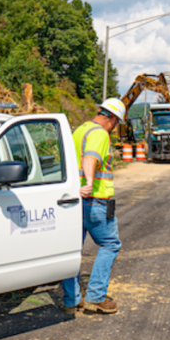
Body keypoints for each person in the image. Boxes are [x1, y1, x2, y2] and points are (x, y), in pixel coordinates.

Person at [61, 98, 125, 315]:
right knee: (110, 244)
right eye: (116, 123)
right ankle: (96, 297)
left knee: (72, 250)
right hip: (96, 200)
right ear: (113, 119)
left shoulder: (80, 130)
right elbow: (91, 157)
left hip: (74, 201)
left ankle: (71, 300)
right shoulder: (99, 133)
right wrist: (89, 182)